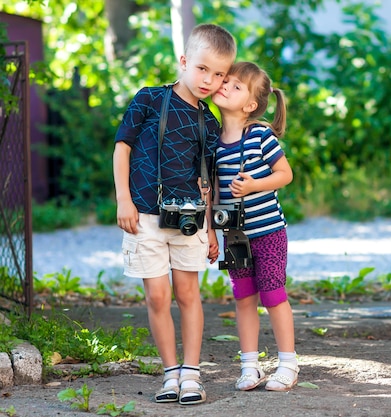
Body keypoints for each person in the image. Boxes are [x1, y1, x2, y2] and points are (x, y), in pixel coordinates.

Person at [112, 23, 236, 405]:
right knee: (157, 297)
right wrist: (123, 200)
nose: (209, 80)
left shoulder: (210, 121)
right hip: (144, 216)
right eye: (202, 69)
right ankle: (169, 374)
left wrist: (213, 230)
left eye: (218, 74)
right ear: (184, 61)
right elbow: (122, 148)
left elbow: (211, 180)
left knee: (188, 294)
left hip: (191, 220)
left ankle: (191, 374)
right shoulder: (149, 99)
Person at [211, 62, 298, 392]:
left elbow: (285, 175)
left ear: (250, 105)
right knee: (243, 297)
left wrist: (253, 185)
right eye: (226, 81)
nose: (225, 86)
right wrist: (210, 232)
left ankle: (288, 363)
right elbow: (213, 193)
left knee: (273, 295)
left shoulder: (259, 135)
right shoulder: (213, 142)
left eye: (236, 86)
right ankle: (250, 366)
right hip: (234, 236)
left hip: (269, 231)